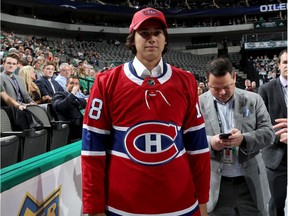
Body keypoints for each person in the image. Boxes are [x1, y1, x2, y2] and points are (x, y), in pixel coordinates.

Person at [81, 7, 210, 216]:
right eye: (144, 33)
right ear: (132, 39)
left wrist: (203, 200)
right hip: (123, 205)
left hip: (180, 204)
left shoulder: (186, 81)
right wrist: (94, 208)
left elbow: (198, 148)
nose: (152, 38)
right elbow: (92, 150)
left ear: (165, 39)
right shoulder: (106, 82)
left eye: (157, 33)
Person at [199, 57, 274, 216]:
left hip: (250, 183)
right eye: (215, 88)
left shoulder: (253, 100)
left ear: (234, 77)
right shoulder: (198, 104)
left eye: (227, 86)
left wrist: (244, 139)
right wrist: (210, 142)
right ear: (207, 82)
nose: (222, 92)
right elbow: (188, 138)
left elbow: (268, 134)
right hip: (217, 186)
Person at [258, 49, 288, 216]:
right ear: (278, 65)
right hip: (276, 156)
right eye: (285, 62)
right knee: (276, 204)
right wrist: (280, 136)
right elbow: (260, 123)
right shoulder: (266, 89)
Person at [52, 76, 87, 141]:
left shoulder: (76, 98)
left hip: (81, 126)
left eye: (76, 84)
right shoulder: (59, 94)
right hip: (70, 128)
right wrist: (72, 93)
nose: (74, 86)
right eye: (71, 83)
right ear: (66, 85)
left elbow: (84, 102)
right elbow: (61, 106)